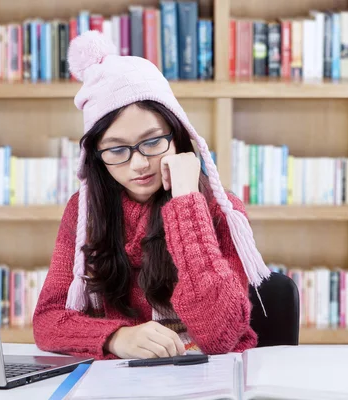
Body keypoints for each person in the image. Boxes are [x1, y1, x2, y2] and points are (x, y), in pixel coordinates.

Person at [32, 31, 271, 360]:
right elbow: (48, 322)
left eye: (153, 141)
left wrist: (187, 202)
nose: (139, 164)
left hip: (207, 378)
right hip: (120, 382)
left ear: (178, 136)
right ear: (96, 156)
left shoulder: (219, 207)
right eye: (117, 149)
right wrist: (117, 337)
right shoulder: (84, 211)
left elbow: (220, 334)